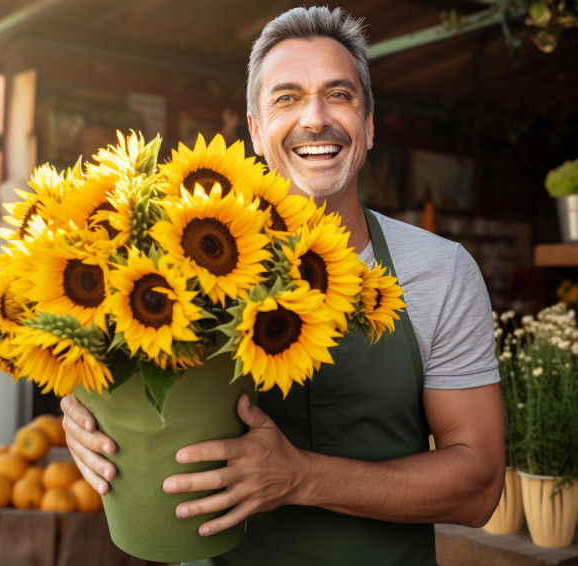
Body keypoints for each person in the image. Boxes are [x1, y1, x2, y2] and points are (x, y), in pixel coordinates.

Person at [61, 6, 505, 565]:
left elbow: (479, 487)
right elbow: (117, 359)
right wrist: (87, 414)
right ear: (254, 129)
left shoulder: (440, 271)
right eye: (287, 98)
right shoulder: (176, 259)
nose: (315, 118)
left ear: (369, 125)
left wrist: (302, 479)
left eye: (339, 95)